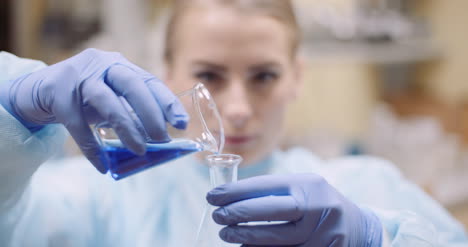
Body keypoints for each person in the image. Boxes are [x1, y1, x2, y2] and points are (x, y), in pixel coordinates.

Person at [0, 0, 466, 246]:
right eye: (208, 76)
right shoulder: (104, 196)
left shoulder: (368, 189)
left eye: (263, 76)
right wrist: (12, 109)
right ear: (166, 72)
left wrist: (373, 241)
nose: (238, 108)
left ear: (296, 76)